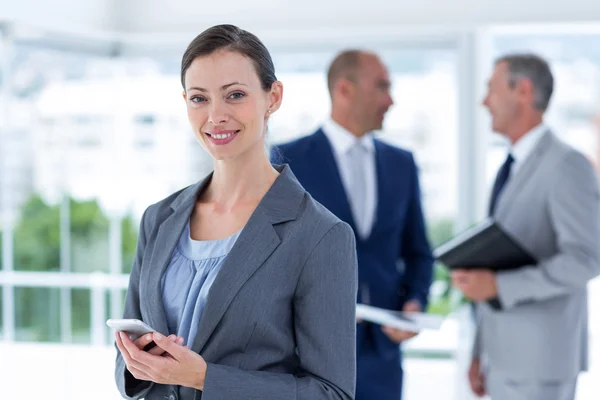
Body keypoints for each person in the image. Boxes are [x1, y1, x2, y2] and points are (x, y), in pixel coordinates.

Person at [114, 24, 358, 400]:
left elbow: (331, 393)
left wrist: (204, 378)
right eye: (199, 99)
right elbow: (126, 359)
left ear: (272, 97)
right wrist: (140, 362)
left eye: (235, 95)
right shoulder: (159, 219)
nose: (215, 116)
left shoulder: (319, 235)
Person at [272, 50, 434, 400]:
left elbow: (419, 253)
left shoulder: (401, 164)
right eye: (382, 87)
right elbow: (271, 259)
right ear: (345, 90)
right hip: (307, 357)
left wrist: (414, 304)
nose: (391, 100)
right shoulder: (286, 161)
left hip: (382, 358)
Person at [452, 53, 600, 400]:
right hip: (503, 360)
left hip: (541, 364)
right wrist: (479, 353)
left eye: (491, 88)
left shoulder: (567, 164)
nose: (484, 101)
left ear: (523, 91)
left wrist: (499, 285)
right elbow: (497, 264)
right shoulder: (511, 165)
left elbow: (586, 258)